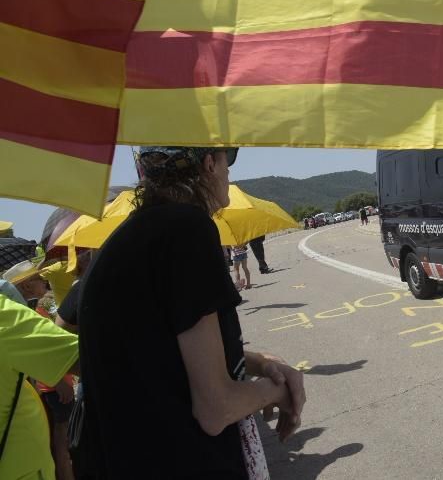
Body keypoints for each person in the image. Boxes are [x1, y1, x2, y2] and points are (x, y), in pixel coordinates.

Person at [76, 146, 305, 479]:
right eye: (228, 159)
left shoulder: (125, 241)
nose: (230, 171)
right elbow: (216, 408)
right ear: (209, 164)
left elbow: (160, 353)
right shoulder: (187, 229)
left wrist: (258, 362)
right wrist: (281, 389)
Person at [3, 260, 76, 480]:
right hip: (18, 467)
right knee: (62, 439)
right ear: (25, 286)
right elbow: (90, 359)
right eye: (38, 279)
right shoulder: (8, 317)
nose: (44, 282)